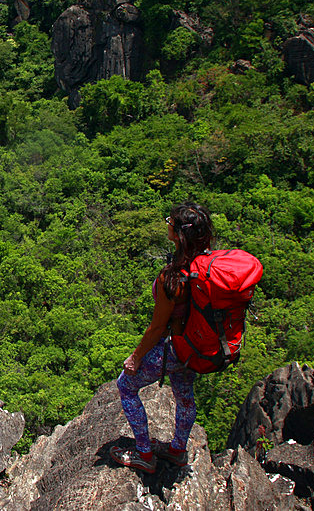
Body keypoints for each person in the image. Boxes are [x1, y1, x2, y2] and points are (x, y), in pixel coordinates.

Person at [109, 202, 214, 473]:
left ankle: (144, 453)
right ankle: (178, 450)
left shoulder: (173, 277)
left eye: (171, 221)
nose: (167, 223)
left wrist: (135, 358)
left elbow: (157, 328)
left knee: (126, 386)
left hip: (174, 347)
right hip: (195, 345)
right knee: (185, 395)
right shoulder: (206, 265)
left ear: (179, 233)